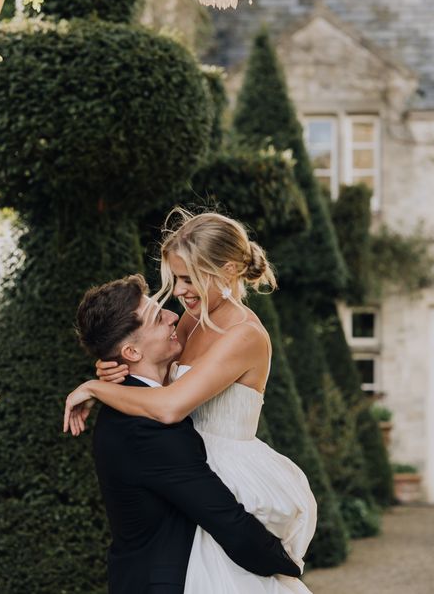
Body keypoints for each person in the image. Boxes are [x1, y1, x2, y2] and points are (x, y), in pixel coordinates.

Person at [65, 210, 317, 594]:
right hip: (185, 465)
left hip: (229, 471)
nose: (178, 293)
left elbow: (169, 406)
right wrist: (113, 371)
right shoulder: (190, 321)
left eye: (188, 279)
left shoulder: (244, 335)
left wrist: (95, 388)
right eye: (175, 279)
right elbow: (153, 380)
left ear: (228, 271)